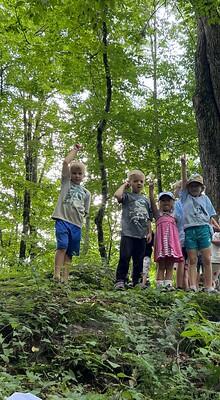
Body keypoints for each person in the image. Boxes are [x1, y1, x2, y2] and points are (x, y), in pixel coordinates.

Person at [52, 144, 91, 282]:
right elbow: (65, 162)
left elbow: (86, 211)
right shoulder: (66, 183)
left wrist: (80, 217)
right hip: (62, 219)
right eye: (74, 173)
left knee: (70, 252)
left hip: (76, 225)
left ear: (83, 176)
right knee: (62, 245)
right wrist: (75, 150)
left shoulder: (87, 193)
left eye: (80, 173)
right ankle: (56, 274)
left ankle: (65, 277)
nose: (76, 175)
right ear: (70, 174)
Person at [180, 156, 216, 292]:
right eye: (192, 185)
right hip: (190, 230)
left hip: (203, 229)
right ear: (188, 188)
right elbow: (184, 182)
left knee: (207, 259)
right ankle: (193, 285)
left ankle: (208, 286)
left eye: (197, 185)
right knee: (192, 259)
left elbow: (210, 216)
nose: (194, 188)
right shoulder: (185, 197)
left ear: (202, 187)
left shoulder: (205, 198)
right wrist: (183, 166)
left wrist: (214, 227)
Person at [114, 170, 152, 290]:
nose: (139, 183)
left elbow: (148, 218)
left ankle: (136, 281)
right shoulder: (127, 196)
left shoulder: (146, 200)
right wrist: (124, 185)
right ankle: (120, 280)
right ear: (130, 183)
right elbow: (117, 195)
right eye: (135, 181)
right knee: (125, 256)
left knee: (139, 259)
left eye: (141, 181)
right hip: (128, 233)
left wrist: (149, 232)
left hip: (141, 235)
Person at [149, 181, 183, 290]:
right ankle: (159, 286)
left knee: (170, 264)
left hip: (172, 243)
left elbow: (183, 203)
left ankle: (168, 284)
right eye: (162, 200)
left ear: (173, 202)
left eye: (168, 200)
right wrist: (151, 191)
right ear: (159, 203)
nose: (165, 202)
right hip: (161, 244)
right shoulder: (158, 215)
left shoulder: (175, 215)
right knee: (161, 265)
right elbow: (152, 203)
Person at [173, 180, 189, 290]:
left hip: (190, 236)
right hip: (180, 237)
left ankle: (187, 285)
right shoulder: (176, 203)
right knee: (181, 261)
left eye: (179, 188)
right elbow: (176, 219)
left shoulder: (189, 202)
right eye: (177, 189)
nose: (177, 191)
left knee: (189, 262)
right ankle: (179, 286)